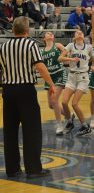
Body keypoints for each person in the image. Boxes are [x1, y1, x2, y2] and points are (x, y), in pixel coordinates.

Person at [0, 16, 55, 178]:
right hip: (26, 90)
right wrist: (51, 84)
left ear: (12, 30)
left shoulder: (4, 46)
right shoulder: (31, 44)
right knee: (32, 130)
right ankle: (33, 169)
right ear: (27, 30)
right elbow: (40, 65)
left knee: (10, 131)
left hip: (8, 91)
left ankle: (12, 168)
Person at [58, 30, 94, 136]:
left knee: (74, 103)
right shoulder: (71, 46)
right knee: (64, 102)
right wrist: (71, 58)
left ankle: (85, 126)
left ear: (84, 36)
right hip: (71, 76)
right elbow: (60, 58)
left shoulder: (88, 47)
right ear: (74, 36)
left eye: (81, 32)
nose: (80, 33)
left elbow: (93, 60)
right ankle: (70, 121)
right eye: (77, 32)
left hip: (83, 77)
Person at [41, 32, 68, 135]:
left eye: (51, 34)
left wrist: (64, 57)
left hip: (59, 74)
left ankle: (59, 125)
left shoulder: (57, 45)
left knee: (54, 99)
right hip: (49, 77)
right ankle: (68, 116)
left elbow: (66, 52)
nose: (50, 34)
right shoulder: (42, 51)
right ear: (44, 38)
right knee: (51, 105)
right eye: (48, 33)